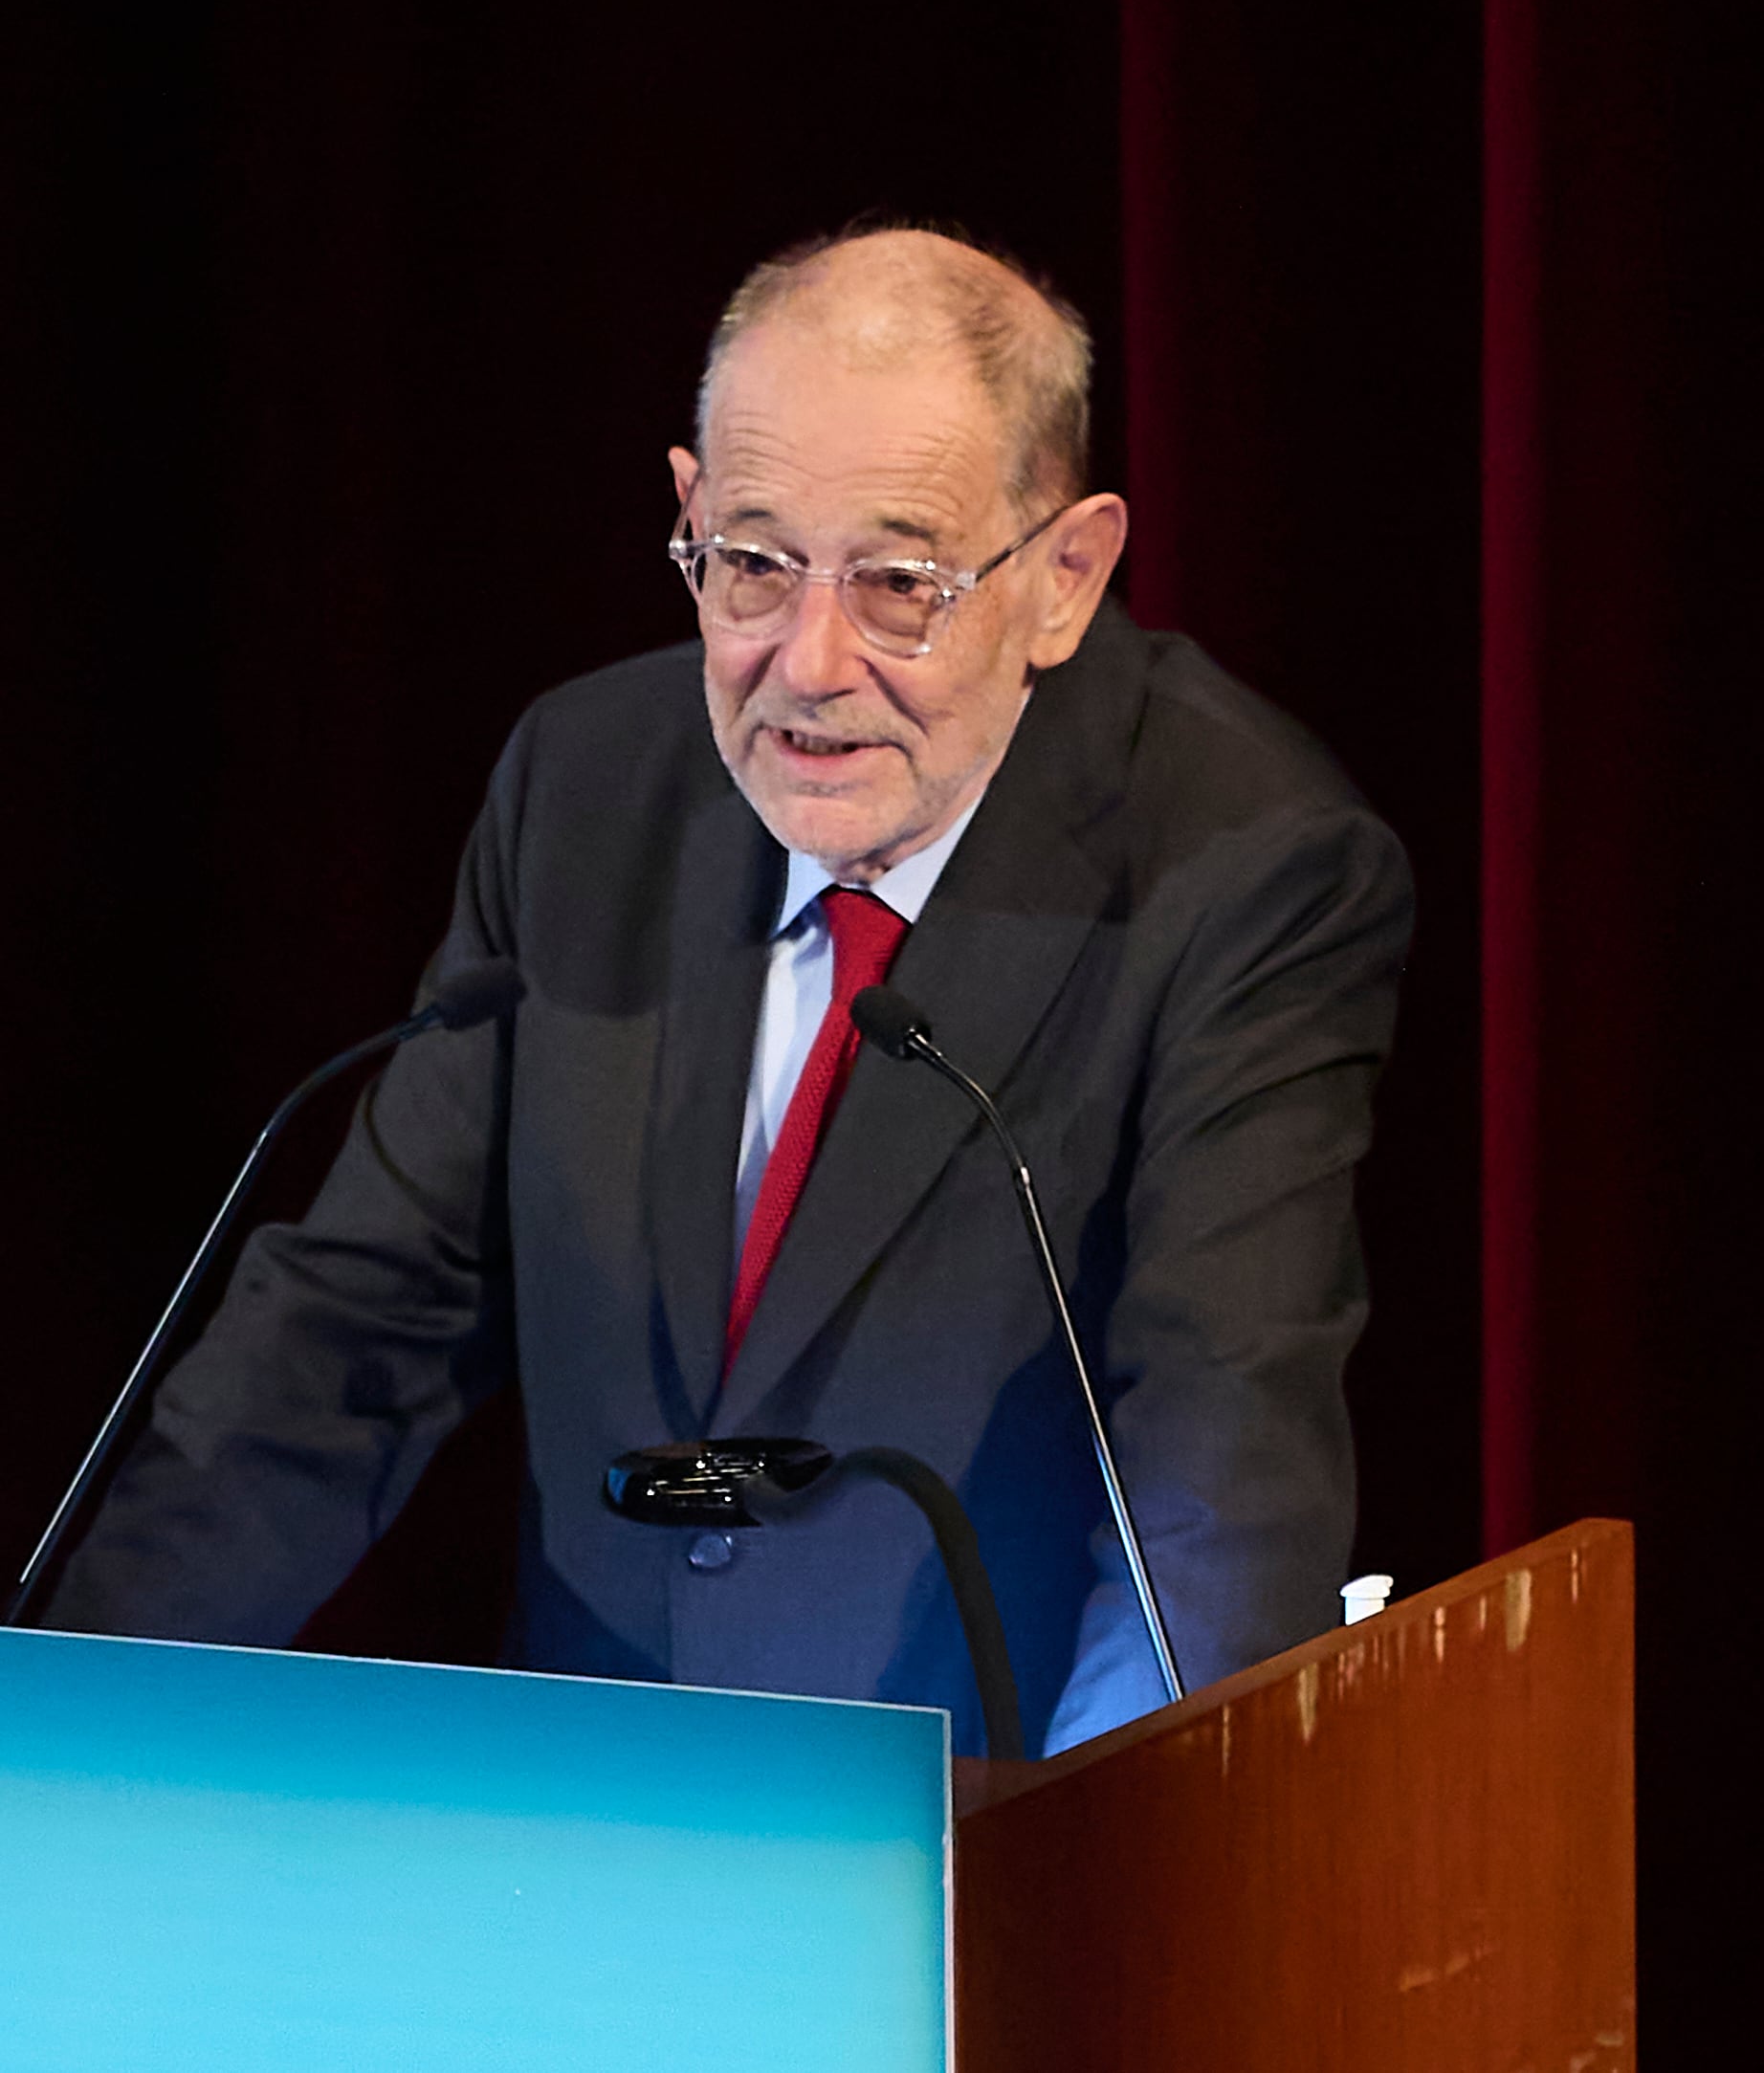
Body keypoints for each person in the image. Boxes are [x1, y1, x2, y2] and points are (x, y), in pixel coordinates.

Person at [45, 224, 1411, 1754]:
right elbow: (350, 1334)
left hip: (985, 1824)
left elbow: (1213, 1473)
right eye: (755, 565)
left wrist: (1080, 1866)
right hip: (601, 1811)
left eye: (899, 583)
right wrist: (70, 1731)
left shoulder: (1245, 868)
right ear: (691, 514)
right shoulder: (586, 786)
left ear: (1064, 576)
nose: (809, 663)